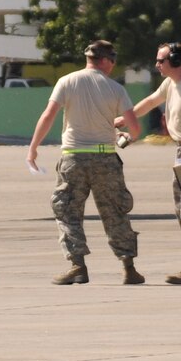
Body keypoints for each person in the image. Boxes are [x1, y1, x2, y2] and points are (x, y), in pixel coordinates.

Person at [26, 40, 143, 285]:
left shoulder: (67, 82)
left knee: (68, 212)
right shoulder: (115, 88)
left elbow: (48, 115)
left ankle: (77, 266)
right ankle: (129, 267)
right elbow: (135, 127)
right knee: (115, 212)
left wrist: (33, 148)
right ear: (106, 60)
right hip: (105, 159)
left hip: (74, 158)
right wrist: (126, 137)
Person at [121, 42, 181, 284]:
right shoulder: (171, 83)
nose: (157, 65)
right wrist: (123, 119)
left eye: (161, 61)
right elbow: (152, 101)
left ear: (175, 61)